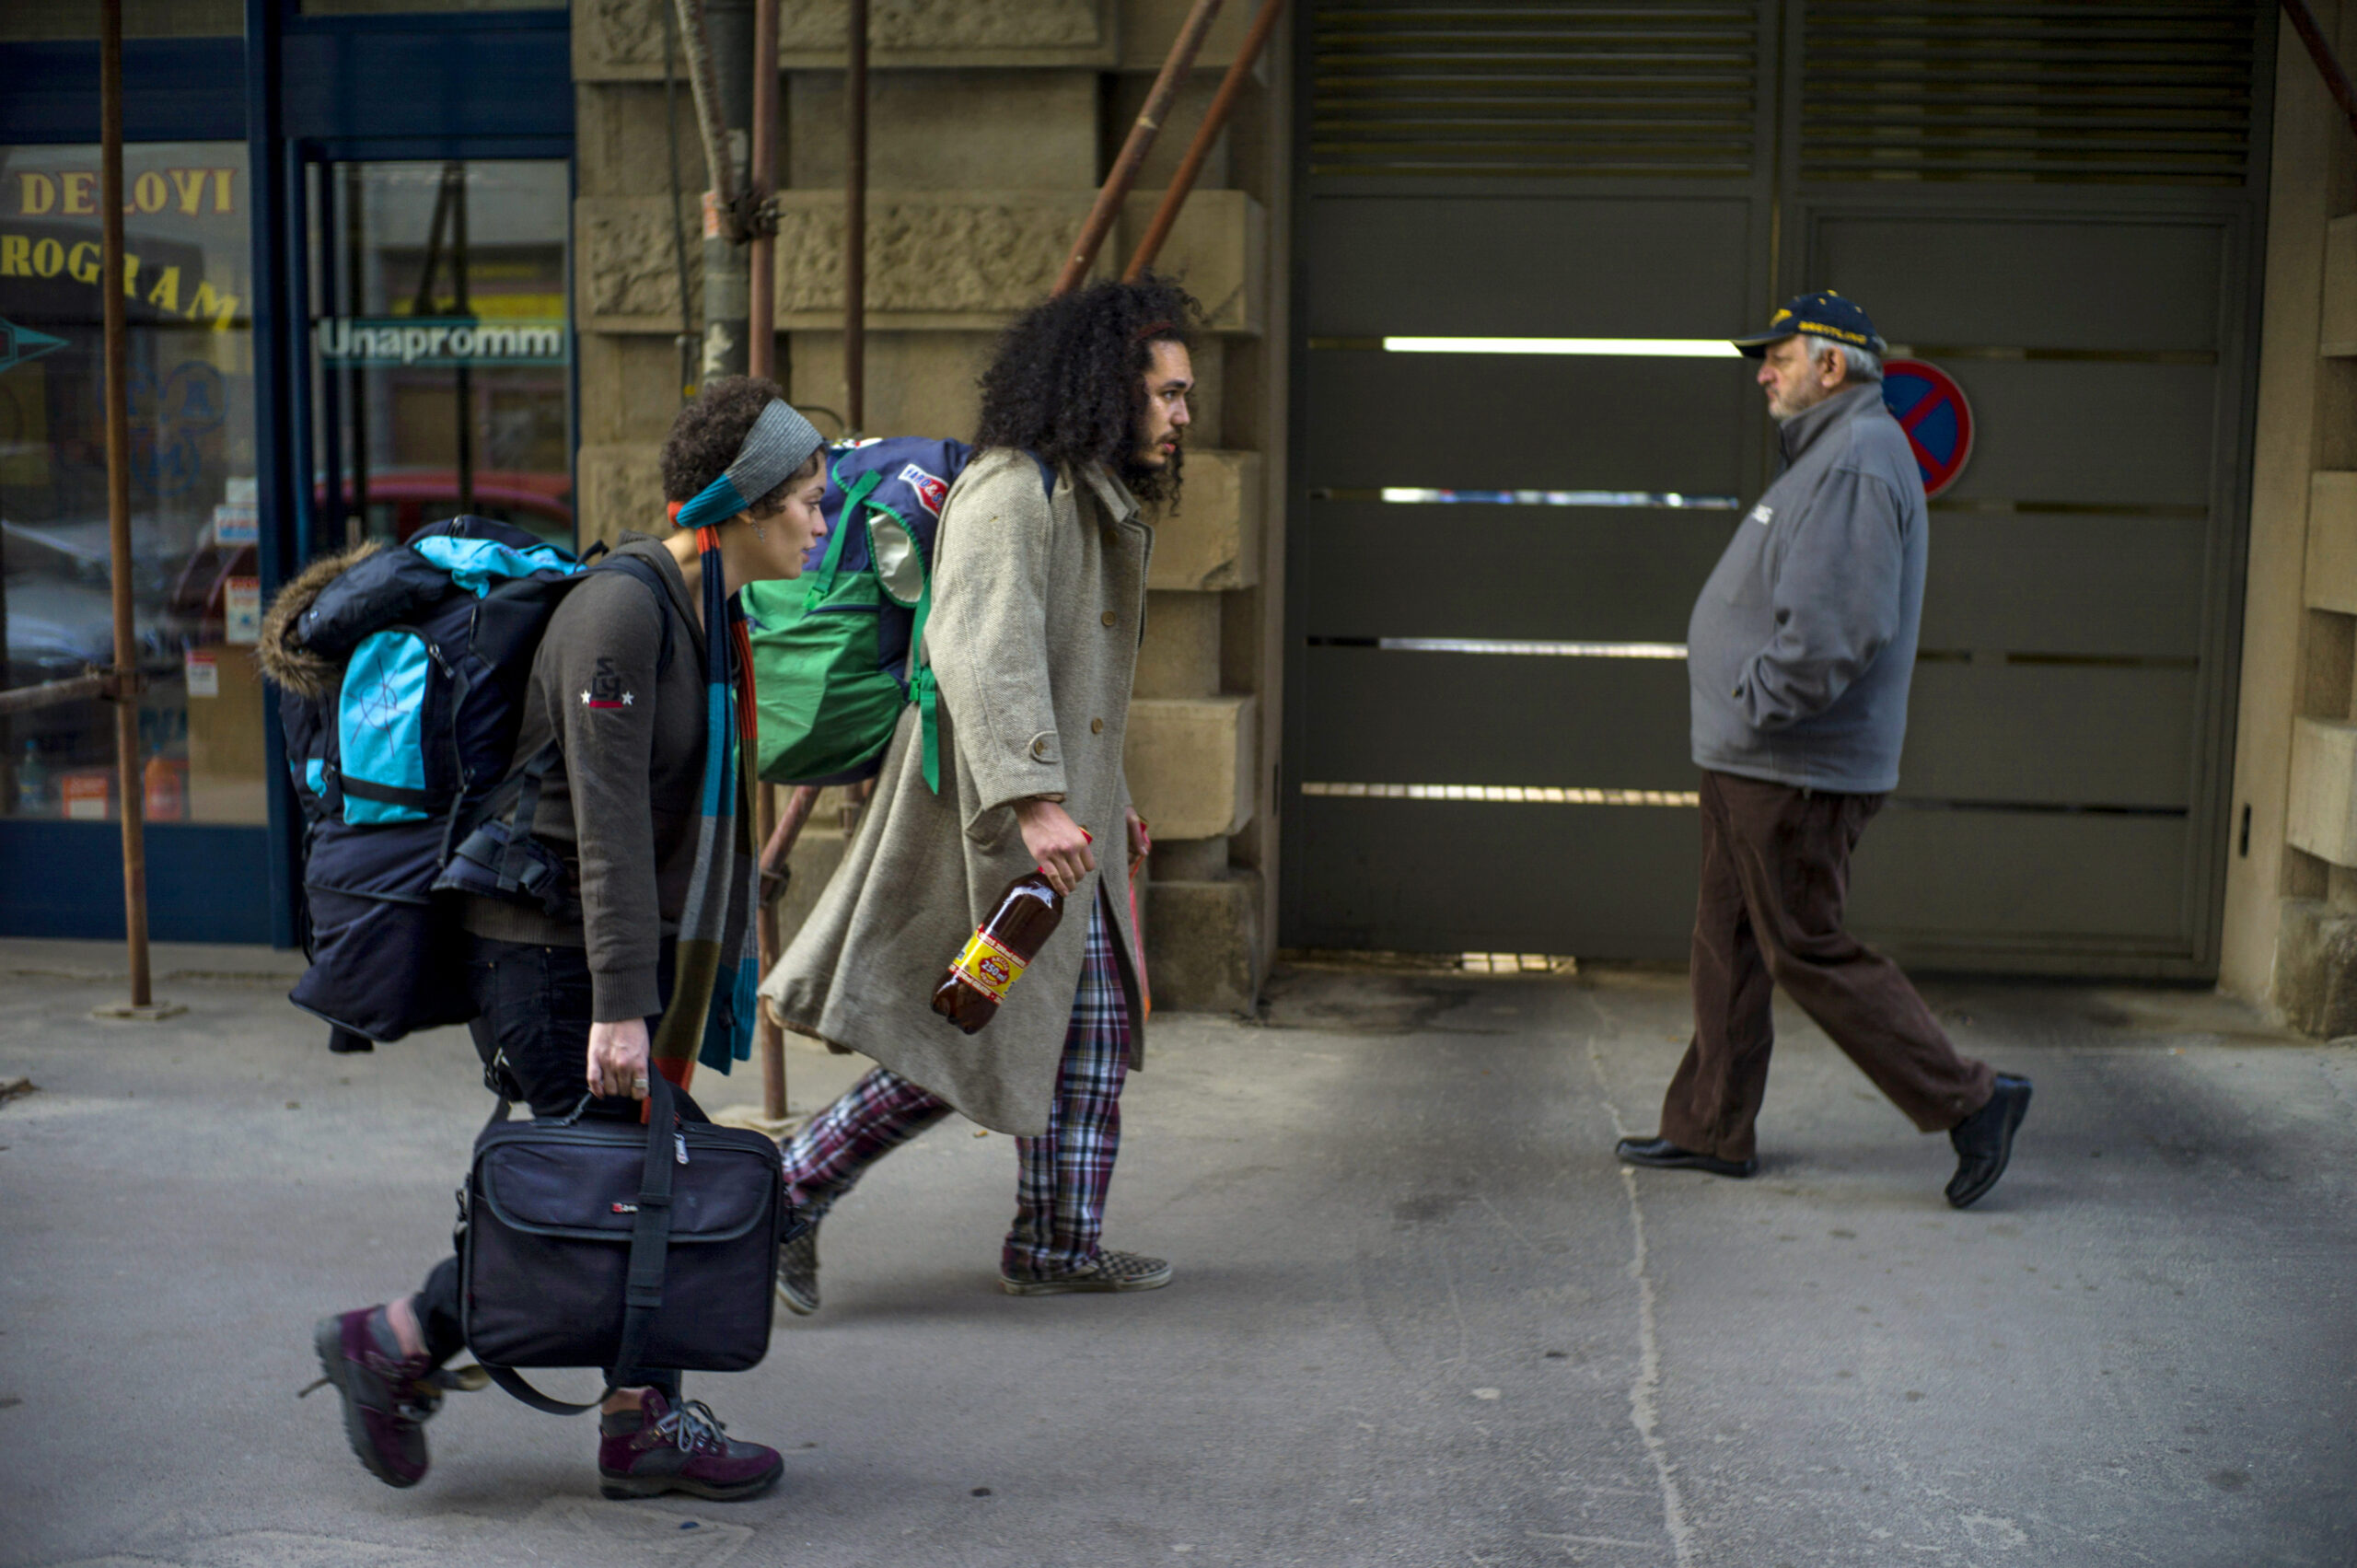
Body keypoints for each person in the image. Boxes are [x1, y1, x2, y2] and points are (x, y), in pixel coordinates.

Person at [307, 378, 830, 1496]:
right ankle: (398, 1341)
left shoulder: (711, 613)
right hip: (545, 960)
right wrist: (621, 1004)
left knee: (644, 1184)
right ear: (741, 505)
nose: (821, 520)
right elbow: (606, 822)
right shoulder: (622, 612)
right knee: (651, 1182)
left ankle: (627, 1414)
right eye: (806, 499)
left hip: (587, 954)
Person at [760, 274, 1194, 1307]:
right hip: (993, 825)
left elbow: (1081, 691)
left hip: (1060, 821)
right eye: (1168, 393)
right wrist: (1036, 802)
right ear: (1108, 388)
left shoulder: (1089, 497)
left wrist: (1111, 798)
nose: (1184, 415)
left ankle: (1057, 1242)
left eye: (1185, 394)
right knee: (965, 1035)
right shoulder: (1013, 490)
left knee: (1085, 1032)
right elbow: (980, 651)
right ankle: (786, 1187)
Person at [1614, 291, 2033, 1209]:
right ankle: (1712, 1125)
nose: (1763, 373)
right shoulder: (1827, 453)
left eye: (1779, 355)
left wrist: (1757, 704)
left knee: (1805, 947)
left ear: (1832, 365)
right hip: (1752, 759)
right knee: (1727, 943)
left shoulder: (1856, 458)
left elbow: (1838, 627)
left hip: (1793, 765)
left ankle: (1972, 1101)